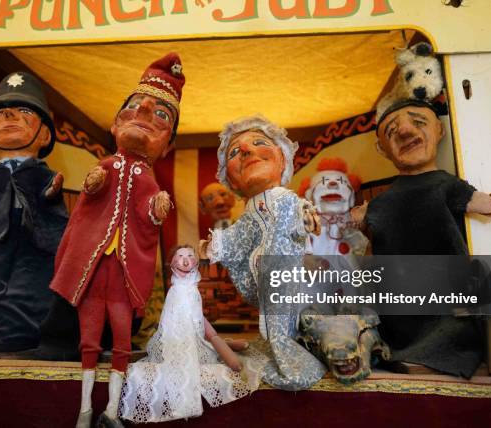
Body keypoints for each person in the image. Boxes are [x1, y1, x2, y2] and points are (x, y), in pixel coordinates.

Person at [49, 53, 183, 428]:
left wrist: (156, 210)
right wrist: (93, 184)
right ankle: (84, 410)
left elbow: (148, 218)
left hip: (122, 279)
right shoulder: (108, 164)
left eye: (161, 115)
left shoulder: (149, 178)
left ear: (167, 145)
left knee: (121, 340)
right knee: (88, 341)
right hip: (93, 271)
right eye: (135, 105)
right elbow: (90, 202)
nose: (143, 110)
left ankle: (111, 411)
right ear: (115, 123)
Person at [351, 99, 491, 377]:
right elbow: (372, 238)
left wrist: (489, 204)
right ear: (381, 149)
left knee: (451, 323)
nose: (406, 132)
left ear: (439, 130)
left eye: (418, 122)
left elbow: (483, 204)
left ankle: (433, 356)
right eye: (392, 131)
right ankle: (394, 349)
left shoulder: (446, 184)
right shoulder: (383, 199)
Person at [200, 115, 327, 391]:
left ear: (282, 159)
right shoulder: (249, 212)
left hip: (284, 268)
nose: (246, 150)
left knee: (285, 318)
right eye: (235, 152)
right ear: (230, 179)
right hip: (264, 276)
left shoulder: (285, 198)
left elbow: (300, 213)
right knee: (274, 321)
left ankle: (292, 361)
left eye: (259, 143)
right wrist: (215, 244)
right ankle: (281, 347)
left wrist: (304, 217)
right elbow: (238, 235)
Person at [0, 72, 68, 354]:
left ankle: (34, 329)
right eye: (0, 115)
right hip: (0, 242)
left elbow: (51, 205)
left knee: (31, 284)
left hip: (34, 243)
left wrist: (50, 193)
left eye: (24, 112)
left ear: (44, 134)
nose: (9, 116)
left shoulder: (40, 172)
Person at [120, 245, 256, 423]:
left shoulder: (193, 289)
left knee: (207, 341)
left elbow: (198, 319)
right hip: (178, 339)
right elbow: (172, 323)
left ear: (196, 262)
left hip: (196, 333)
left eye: (190, 256)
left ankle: (227, 344)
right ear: (173, 263)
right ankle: (227, 345)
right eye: (181, 256)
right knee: (195, 356)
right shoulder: (175, 291)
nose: (185, 260)